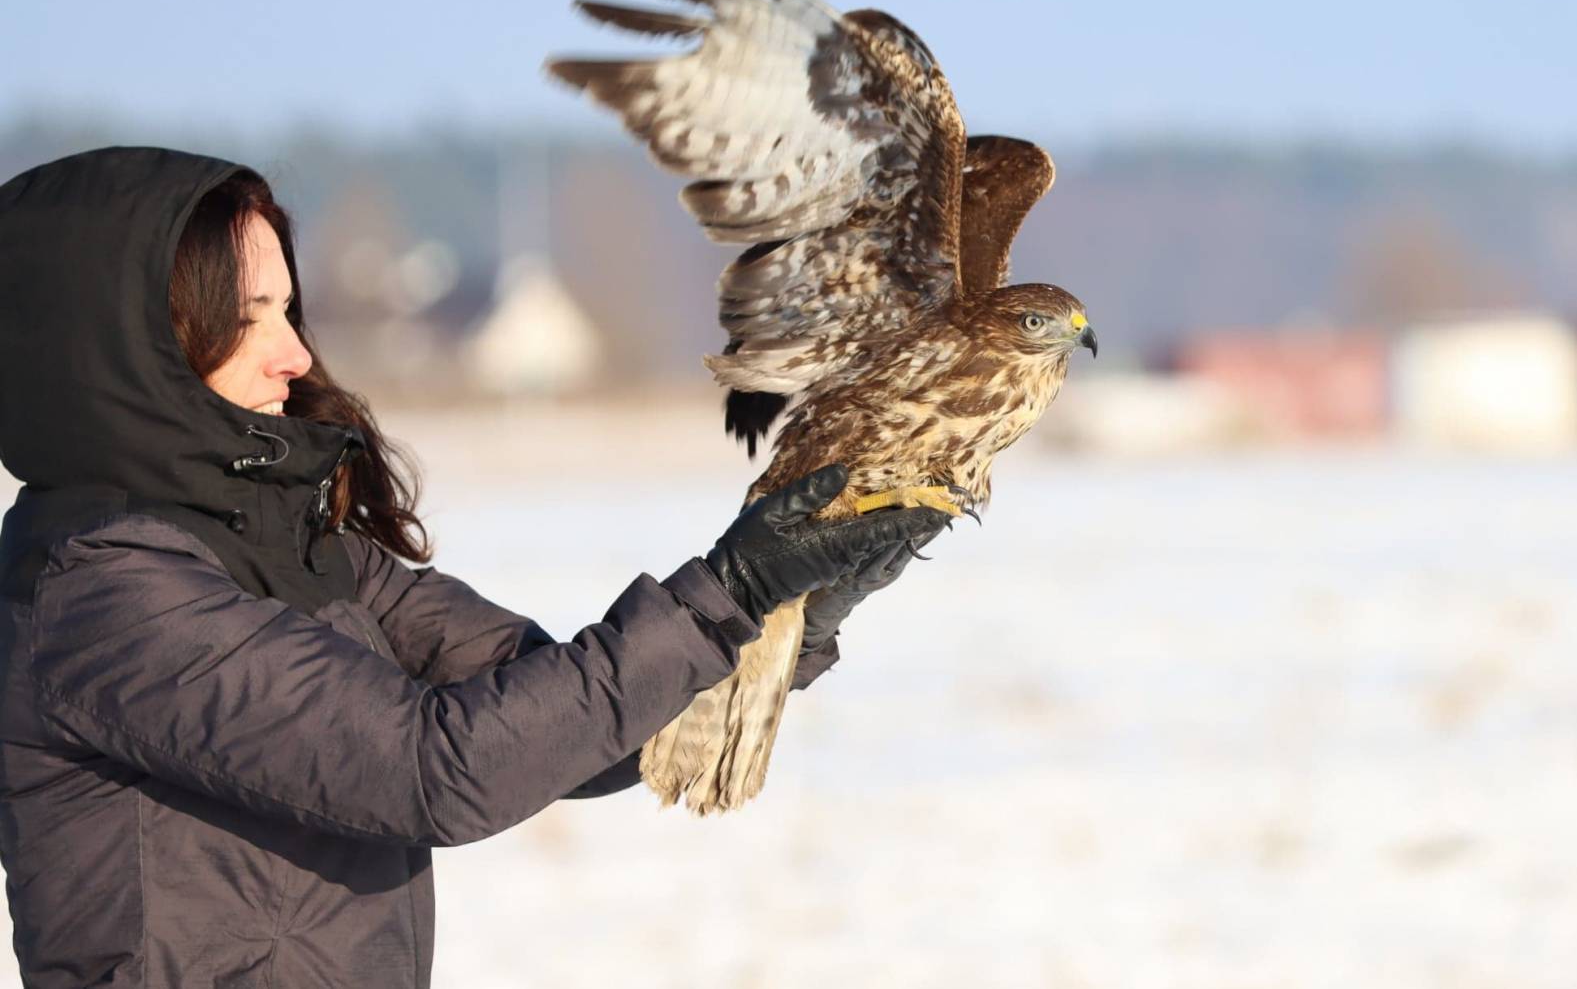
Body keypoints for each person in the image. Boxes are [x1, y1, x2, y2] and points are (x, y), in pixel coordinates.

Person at [0, 146, 947, 989]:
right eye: (248, 318)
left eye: (289, 309)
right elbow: (436, 768)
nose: (293, 353)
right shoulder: (106, 593)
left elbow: (557, 728)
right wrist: (726, 590)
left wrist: (791, 614)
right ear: (131, 350)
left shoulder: (300, 547)